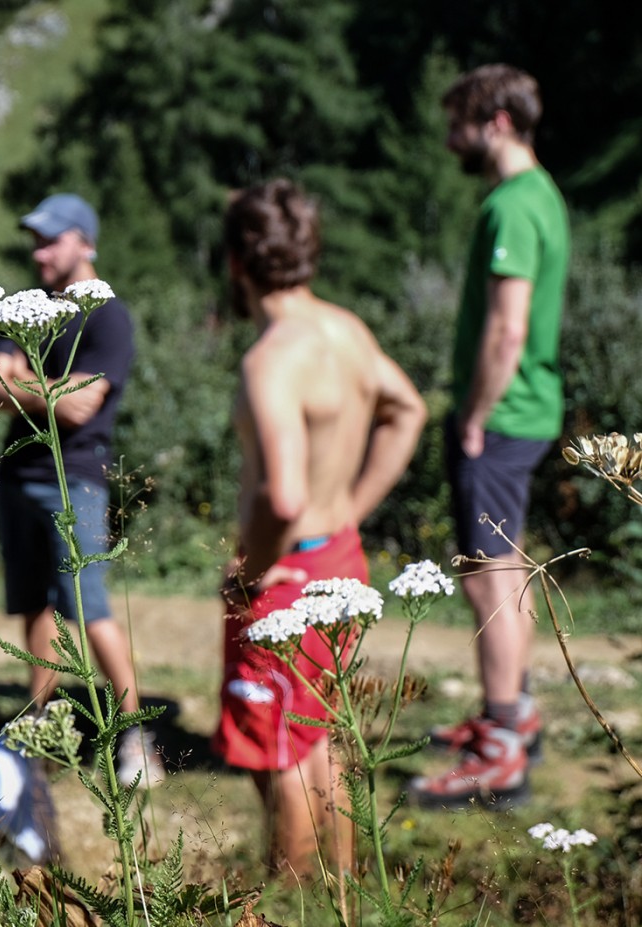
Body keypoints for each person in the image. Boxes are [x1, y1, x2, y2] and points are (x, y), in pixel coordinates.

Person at [213, 180, 426, 876]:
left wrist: (249, 574)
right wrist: (355, 507)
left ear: (238, 262)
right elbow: (408, 409)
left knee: (278, 745)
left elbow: (282, 491)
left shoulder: (271, 361)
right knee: (316, 735)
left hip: (285, 572)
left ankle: (287, 900)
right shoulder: (347, 330)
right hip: (340, 553)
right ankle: (338, 896)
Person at [407, 65, 570, 810]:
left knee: (485, 575)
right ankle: (518, 714)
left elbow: (507, 329)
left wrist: (471, 414)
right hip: (528, 412)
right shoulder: (543, 196)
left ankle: (503, 749)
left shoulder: (510, 207)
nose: (449, 139)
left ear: (496, 121)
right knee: (509, 567)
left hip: (501, 417)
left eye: (459, 123)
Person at [0, 192, 160, 787]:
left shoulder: (106, 315)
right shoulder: (28, 306)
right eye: (34, 239)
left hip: (75, 479)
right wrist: (49, 387)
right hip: (18, 476)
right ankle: (38, 726)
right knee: (35, 604)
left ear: (85, 242)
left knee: (87, 604)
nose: (38, 251)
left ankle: (135, 734)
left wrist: (23, 381)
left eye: (50, 239)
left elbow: (84, 407)